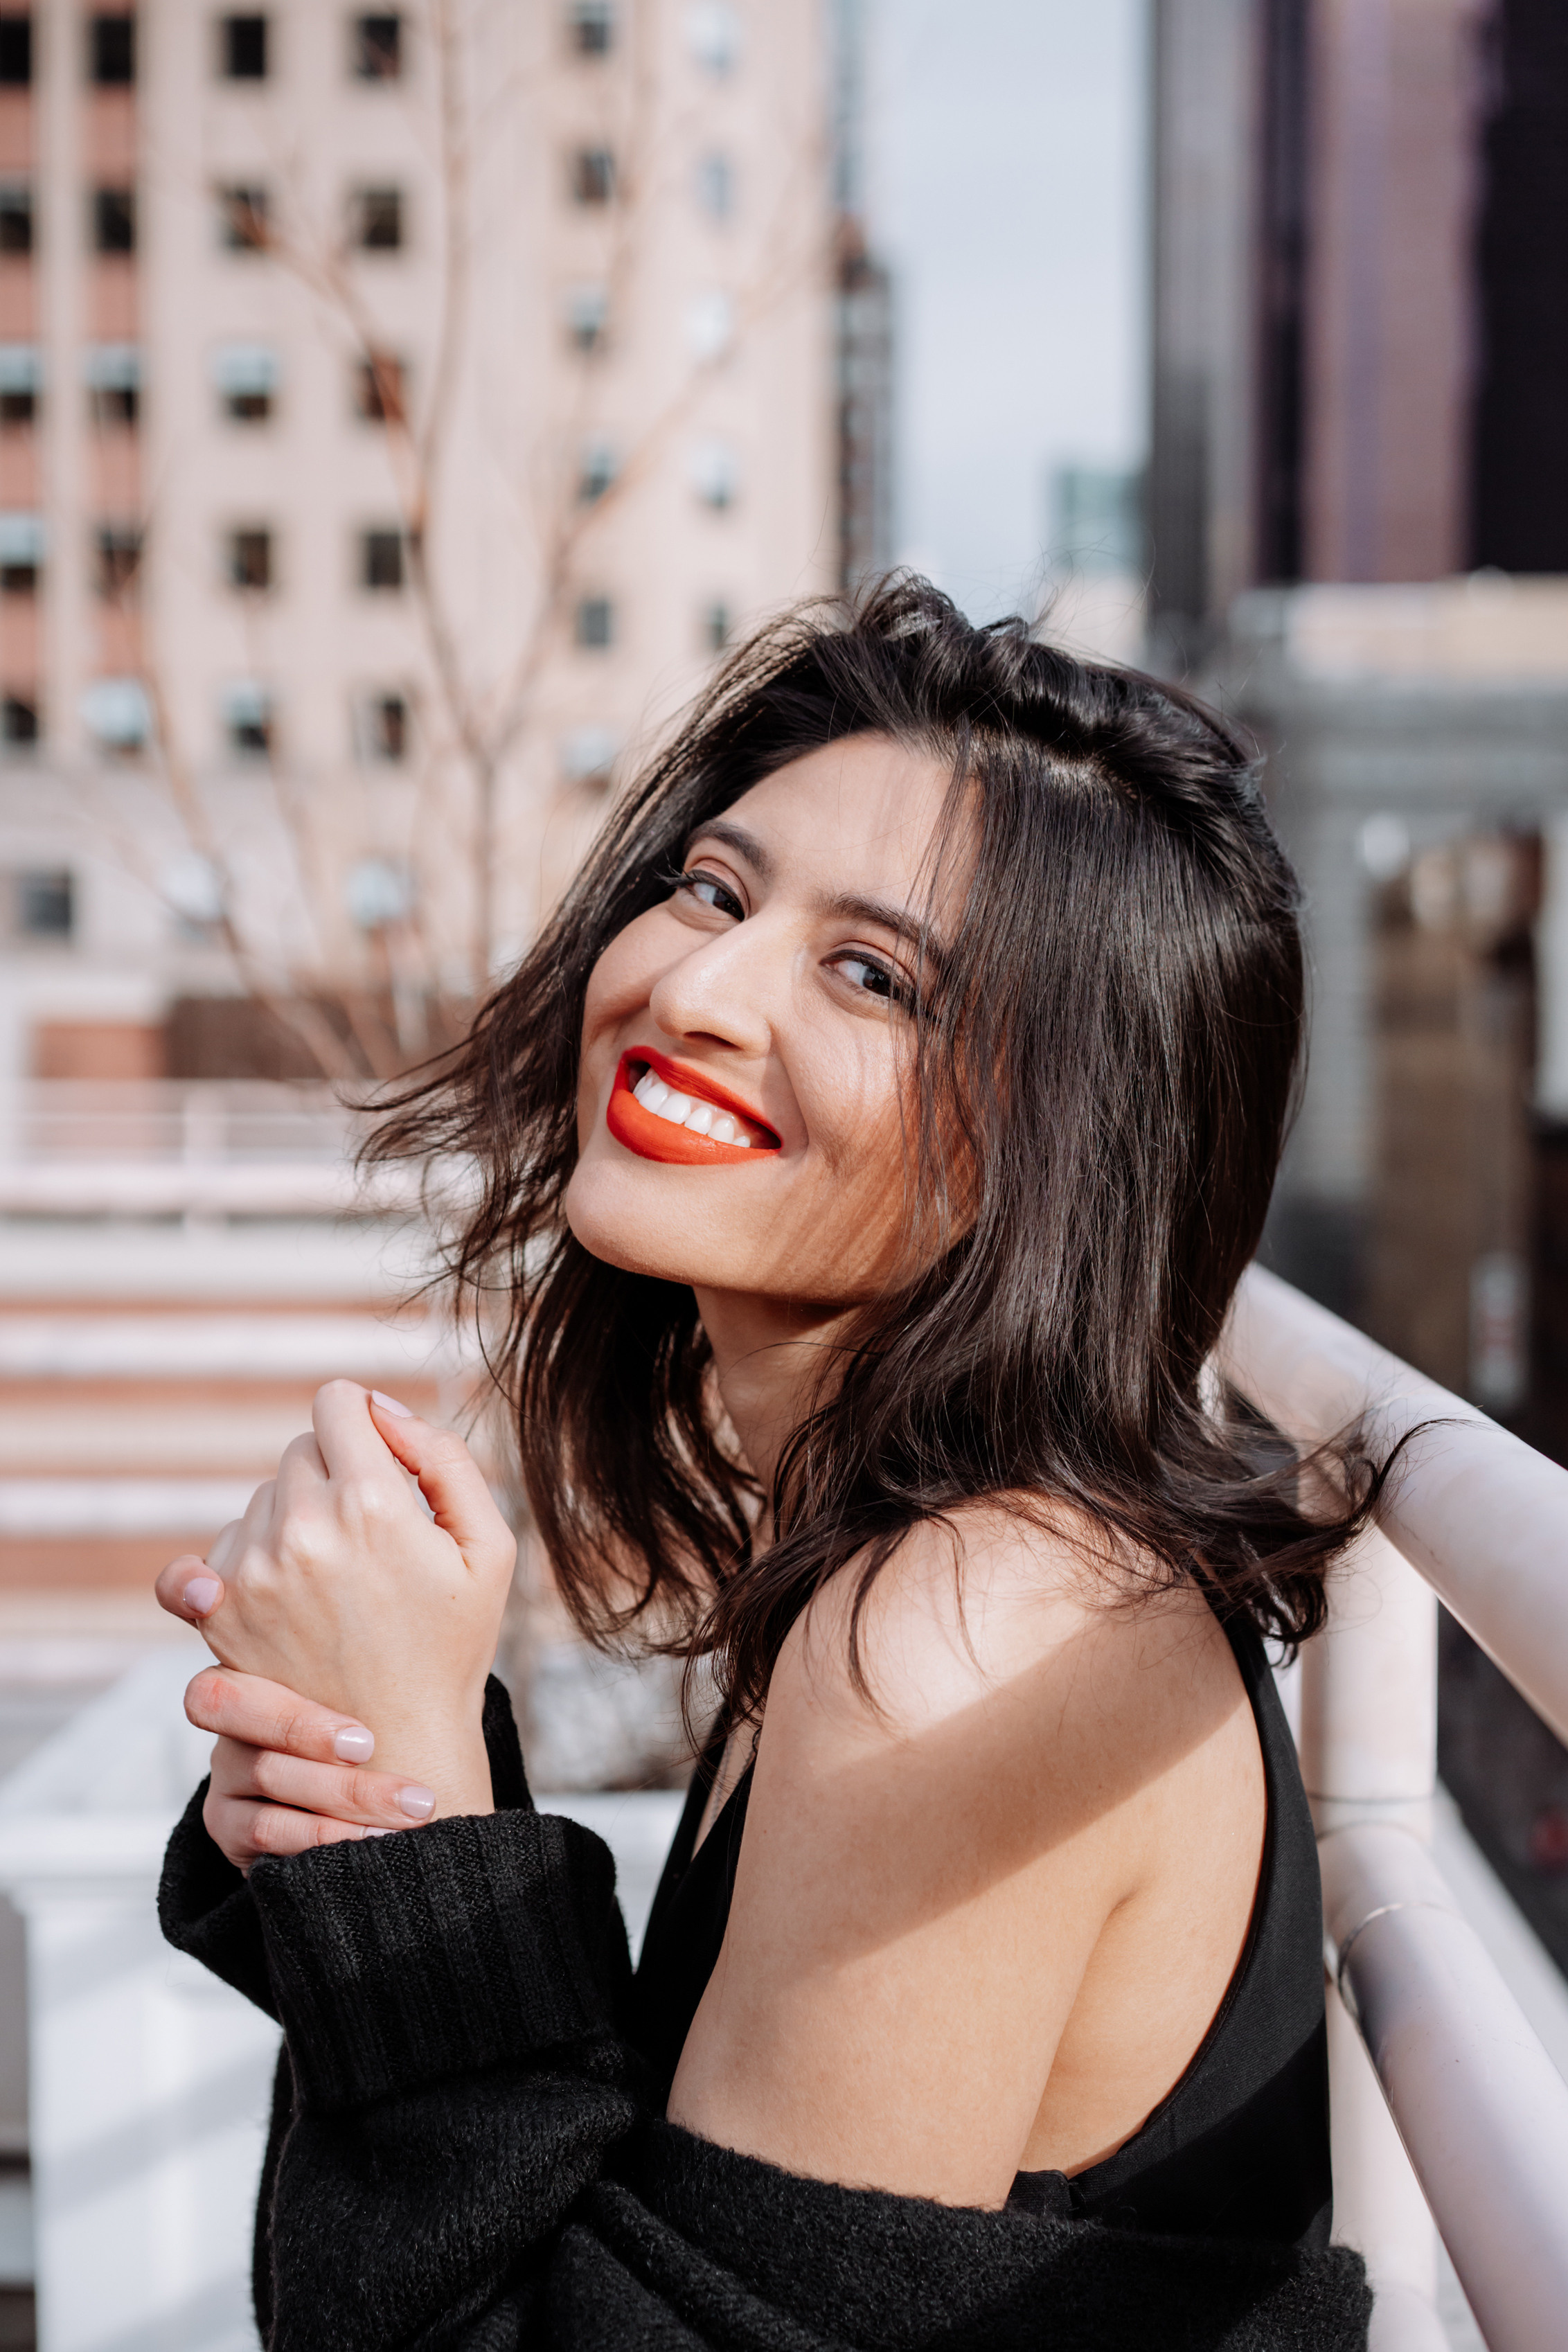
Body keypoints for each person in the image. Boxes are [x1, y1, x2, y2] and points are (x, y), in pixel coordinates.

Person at [158, 578, 1376, 2351]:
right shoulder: (896, 1548)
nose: (692, 987)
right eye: (712, 888)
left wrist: (410, 1830)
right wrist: (376, 1808)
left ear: (1069, 1145)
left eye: (871, 976)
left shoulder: (969, 1625)